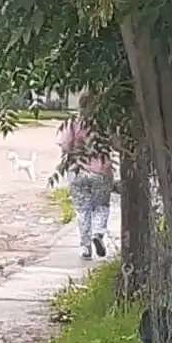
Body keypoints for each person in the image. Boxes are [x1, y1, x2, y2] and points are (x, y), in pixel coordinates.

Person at [57, 95, 115, 260]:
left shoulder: (74, 123)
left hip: (78, 171)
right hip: (102, 171)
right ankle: (98, 233)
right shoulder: (104, 123)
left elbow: (66, 146)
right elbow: (116, 143)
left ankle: (86, 247)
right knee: (101, 206)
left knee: (83, 210)